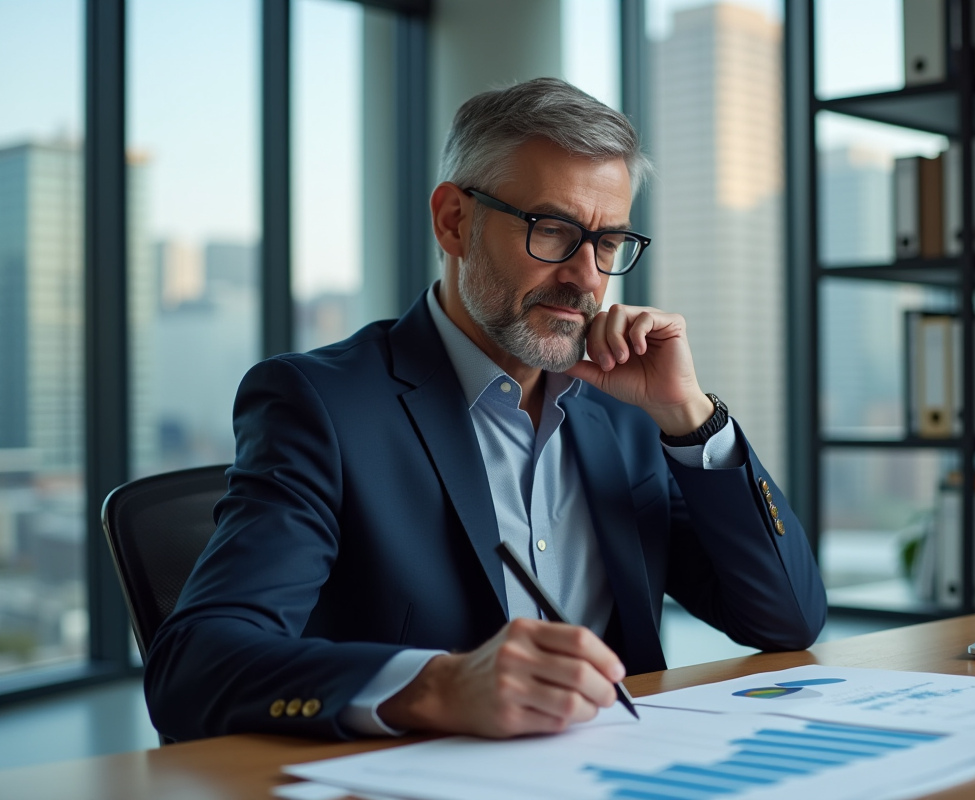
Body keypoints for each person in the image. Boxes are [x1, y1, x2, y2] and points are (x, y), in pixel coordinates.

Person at [145, 77, 826, 742]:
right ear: (455, 221)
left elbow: (787, 620)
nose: (586, 276)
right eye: (552, 230)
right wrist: (438, 686)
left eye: (608, 242)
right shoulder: (321, 405)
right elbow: (193, 668)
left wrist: (690, 417)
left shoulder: (625, 408)